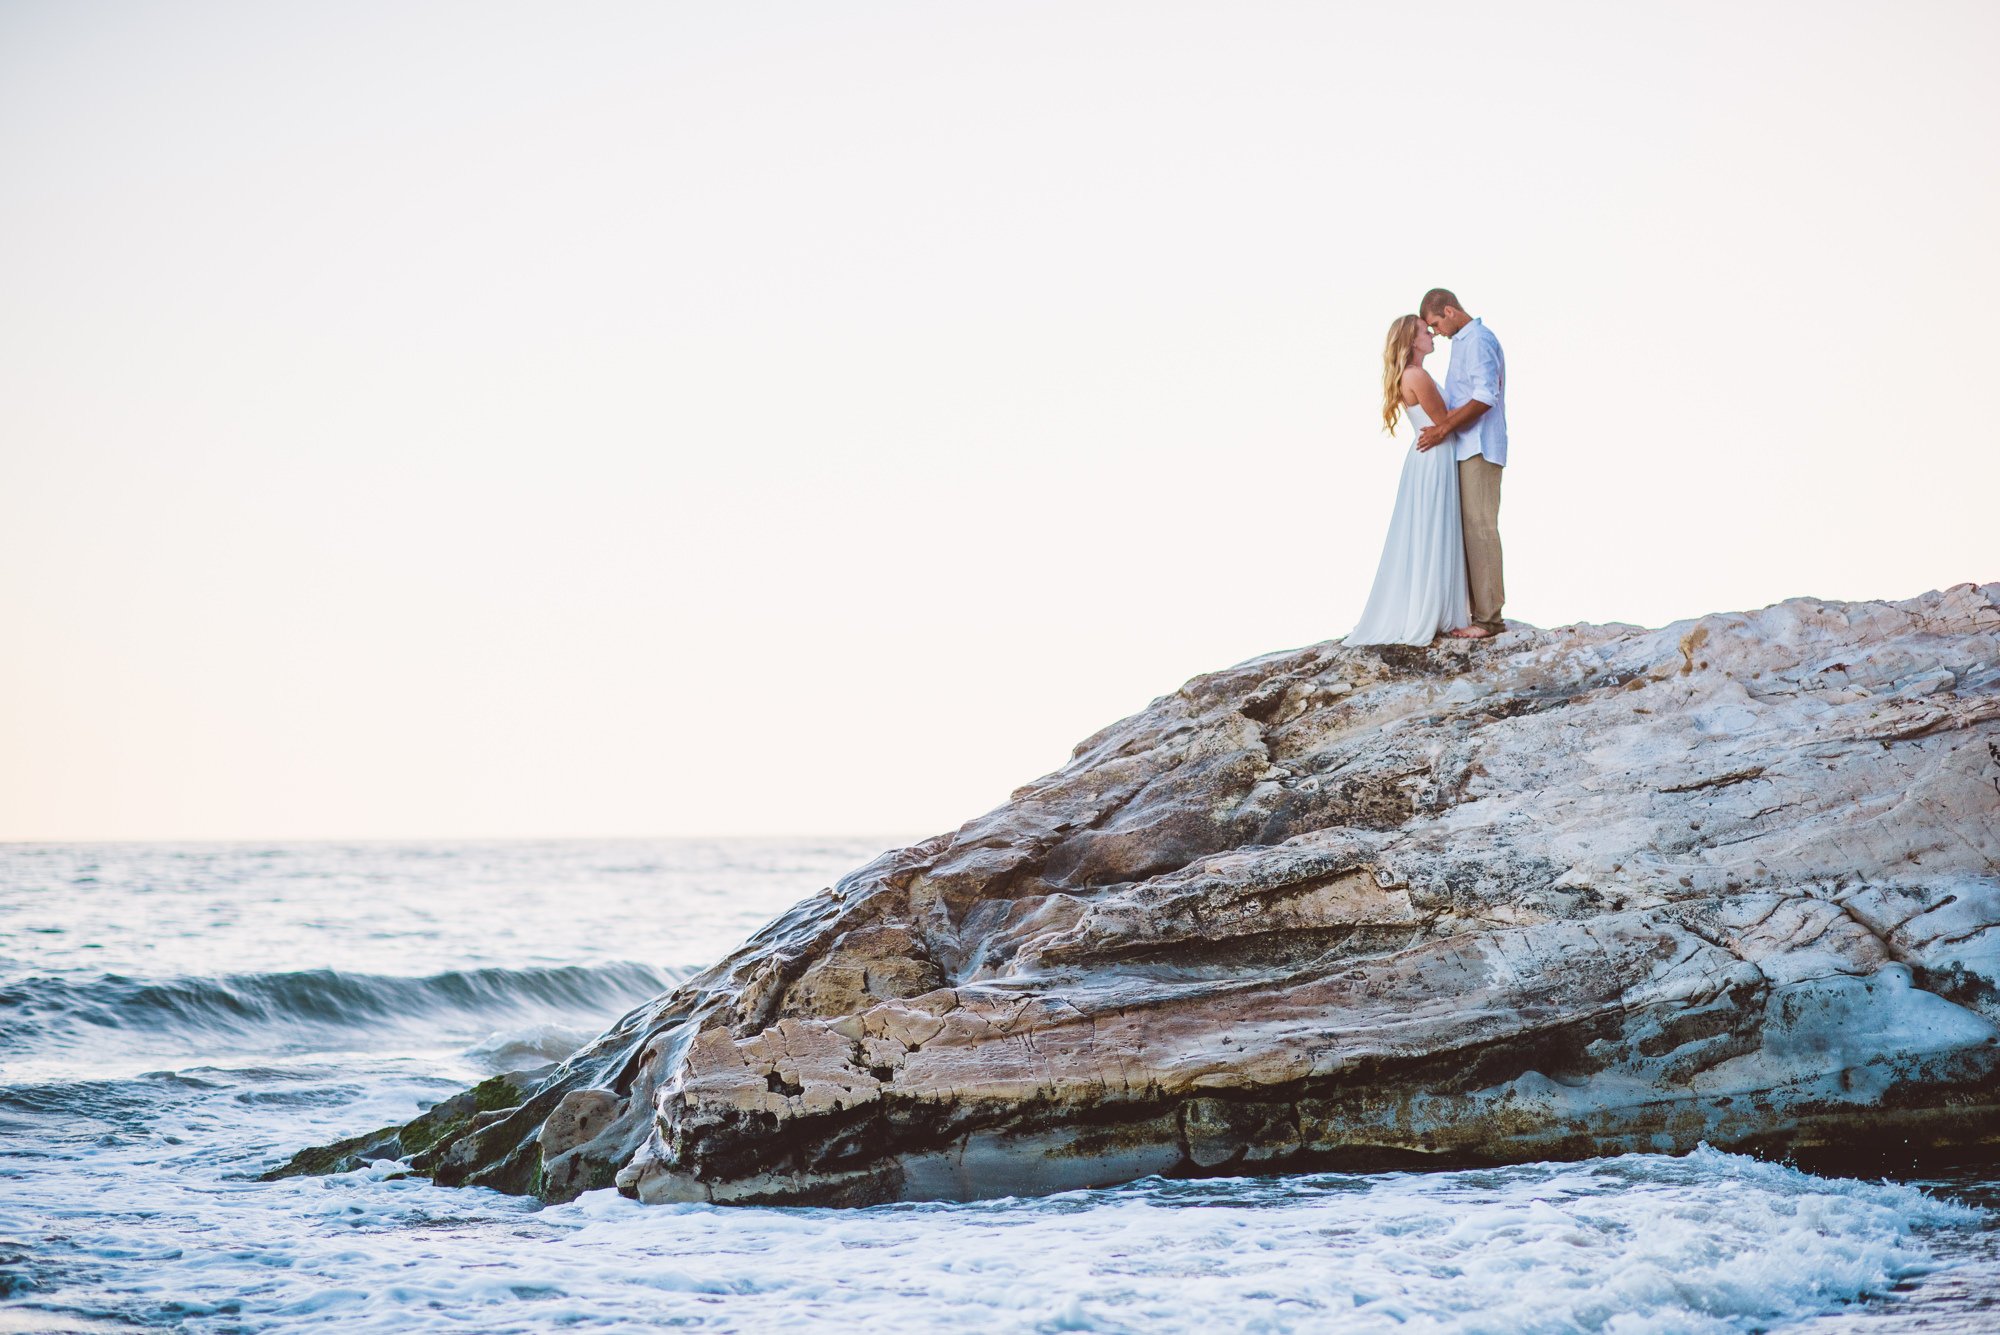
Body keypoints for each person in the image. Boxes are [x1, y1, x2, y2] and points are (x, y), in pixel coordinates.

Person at [1345, 314, 1471, 646]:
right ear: (1412, 341)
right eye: (1423, 331)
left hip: (1430, 456)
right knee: (1433, 531)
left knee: (1429, 532)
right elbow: (1444, 422)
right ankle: (1433, 612)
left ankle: (1436, 607)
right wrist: (1482, 401)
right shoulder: (1417, 375)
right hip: (1434, 457)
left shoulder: (1412, 374)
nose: (1431, 334)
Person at [1415, 288, 1507, 639]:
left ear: (1450, 311)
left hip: (1480, 446)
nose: (1435, 332)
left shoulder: (1479, 339)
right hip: (1464, 446)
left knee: (1480, 527)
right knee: (1466, 529)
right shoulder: (1462, 343)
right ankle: (1475, 611)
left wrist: (1443, 428)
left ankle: (1490, 620)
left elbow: (1486, 395)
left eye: (1436, 324)